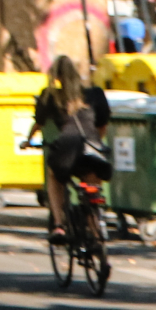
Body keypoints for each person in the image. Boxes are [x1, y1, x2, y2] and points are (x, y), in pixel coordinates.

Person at [32, 54, 111, 238]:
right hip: (93, 148)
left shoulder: (50, 96)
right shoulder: (95, 94)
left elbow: (39, 122)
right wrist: (96, 142)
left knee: (54, 177)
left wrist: (28, 140)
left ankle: (59, 224)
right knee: (92, 190)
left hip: (66, 149)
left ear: (56, 76)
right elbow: (103, 123)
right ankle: (97, 236)